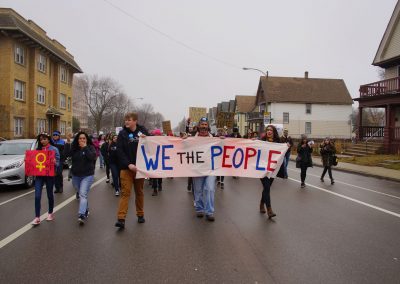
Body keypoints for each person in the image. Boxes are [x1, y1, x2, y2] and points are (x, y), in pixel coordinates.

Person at [115, 112, 150, 229]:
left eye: (129, 120)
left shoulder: (143, 131)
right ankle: (121, 218)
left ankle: (140, 214)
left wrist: (147, 139)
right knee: (125, 193)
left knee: (139, 192)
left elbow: (153, 145)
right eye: (126, 120)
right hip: (126, 169)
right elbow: (119, 151)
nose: (126, 122)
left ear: (135, 121)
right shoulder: (122, 134)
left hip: (139, 169)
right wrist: (128, 164)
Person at [185, 117, 218, 222]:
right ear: (199, 126)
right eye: (202, 124)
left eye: (205, 124)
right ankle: (199, 208)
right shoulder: (192, 139)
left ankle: (209, 212)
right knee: (198, 191)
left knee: (210, 188)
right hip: (197, 169)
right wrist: (183, 139)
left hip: (210, 169)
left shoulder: (214, 139)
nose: (204, 126)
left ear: (208, 126)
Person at [66, 131, 96, 224]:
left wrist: (85, 148)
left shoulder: (90, 147)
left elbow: (92, 157)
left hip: (87, 175)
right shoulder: (74, 148)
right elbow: (66, 154)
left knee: (83, 194)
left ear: (86, 139)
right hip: (76, 175)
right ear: (77, 140)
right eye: (80, 138)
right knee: (81, 193)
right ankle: (86, 209)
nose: (82, 140)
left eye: (84, 138)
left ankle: (81, 214)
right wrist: (67, 142)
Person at [31, 132, 60, 225]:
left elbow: (58, 163)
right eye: (41, 139)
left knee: (49, 195)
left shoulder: (54, 149)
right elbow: (33, 163)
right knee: (37, 196)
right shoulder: (37, 149)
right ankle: (37, 217)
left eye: (44, 139)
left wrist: (55, 162)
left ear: (48, 139)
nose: (43, 141)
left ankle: (50, 213)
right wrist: (28, 160)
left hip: (49, 175)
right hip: (39, 175)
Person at [259, 125, 280, 219]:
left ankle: (261, 203)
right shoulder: (262, 141)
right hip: (262, 169)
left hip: (272, 169)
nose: (269, 131)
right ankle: (269, 210)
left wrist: (287, 146)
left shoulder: (278, 142)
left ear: (274, 131)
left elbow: (284, 151)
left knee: (266, 188)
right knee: (267, 187)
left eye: (270, 130)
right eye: (267, 130)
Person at [149, 129, 163, 196]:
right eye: (155, 134)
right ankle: (155, 189)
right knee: (154, 175)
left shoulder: (163, 141)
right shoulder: (152, 141)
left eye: (158, 134)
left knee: (159, 175)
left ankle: (160, 184)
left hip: (160, 159)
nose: (156, 135)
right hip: (154, 159)